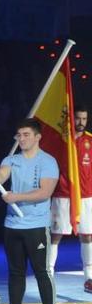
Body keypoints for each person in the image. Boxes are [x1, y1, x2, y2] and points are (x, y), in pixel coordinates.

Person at [0, 118, 59, 304]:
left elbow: (45, 192)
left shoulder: (48, 162)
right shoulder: (11, 160)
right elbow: (1, 175)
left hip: (36, 225)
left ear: (37, 137)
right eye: (18, 135)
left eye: (26, 134)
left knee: (41, 271)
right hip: (13, 225)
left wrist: (16, 197)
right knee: (15, 272)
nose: (21, 138)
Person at [50, 106, 92, 293]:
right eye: (78, 118)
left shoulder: (90, 141)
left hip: (86, 196)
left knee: (87, 235)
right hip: (63, 194)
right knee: (56, 235)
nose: (81, 122)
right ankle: (48, 273)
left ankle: (89, 277)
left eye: (84, 118)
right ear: (72, 119)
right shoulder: (60, 141)